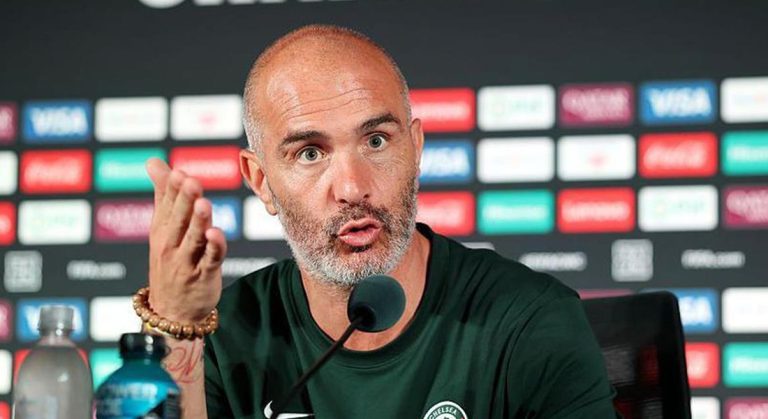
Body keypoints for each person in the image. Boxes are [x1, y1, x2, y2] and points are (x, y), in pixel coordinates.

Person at [140, 24, 618, 418]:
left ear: (416, 149)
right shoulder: (222, 335)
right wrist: (175, 327)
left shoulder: (531, 319)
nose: (352, 187)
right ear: (261, 181)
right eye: (310, 153)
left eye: (376, 141)